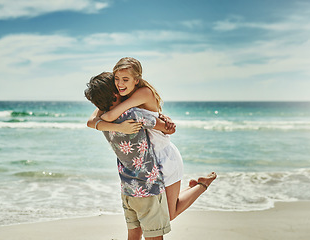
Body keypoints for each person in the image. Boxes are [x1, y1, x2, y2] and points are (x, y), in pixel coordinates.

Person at [89, 57, 217, 221]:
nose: (120, 83)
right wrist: (117, 126)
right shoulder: (125, 94)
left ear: (136, 80)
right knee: (163, 208)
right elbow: (91, 122)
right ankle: (193, 186)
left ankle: (202, 185)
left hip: (165, 157)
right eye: (116, 79)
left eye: (125, 79)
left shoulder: (143, 93)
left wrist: (107, 117)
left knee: (168, 215)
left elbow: (111, 115)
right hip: (150, 162)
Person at [85, 72, 173, 240]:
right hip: (148, 187)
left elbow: (92, 120)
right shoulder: (133, 114)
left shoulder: (103, 121)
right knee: (154, 237)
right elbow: (168, 129)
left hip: (127, 188)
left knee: (133, 236)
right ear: (115, 93)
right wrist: (160, 117)